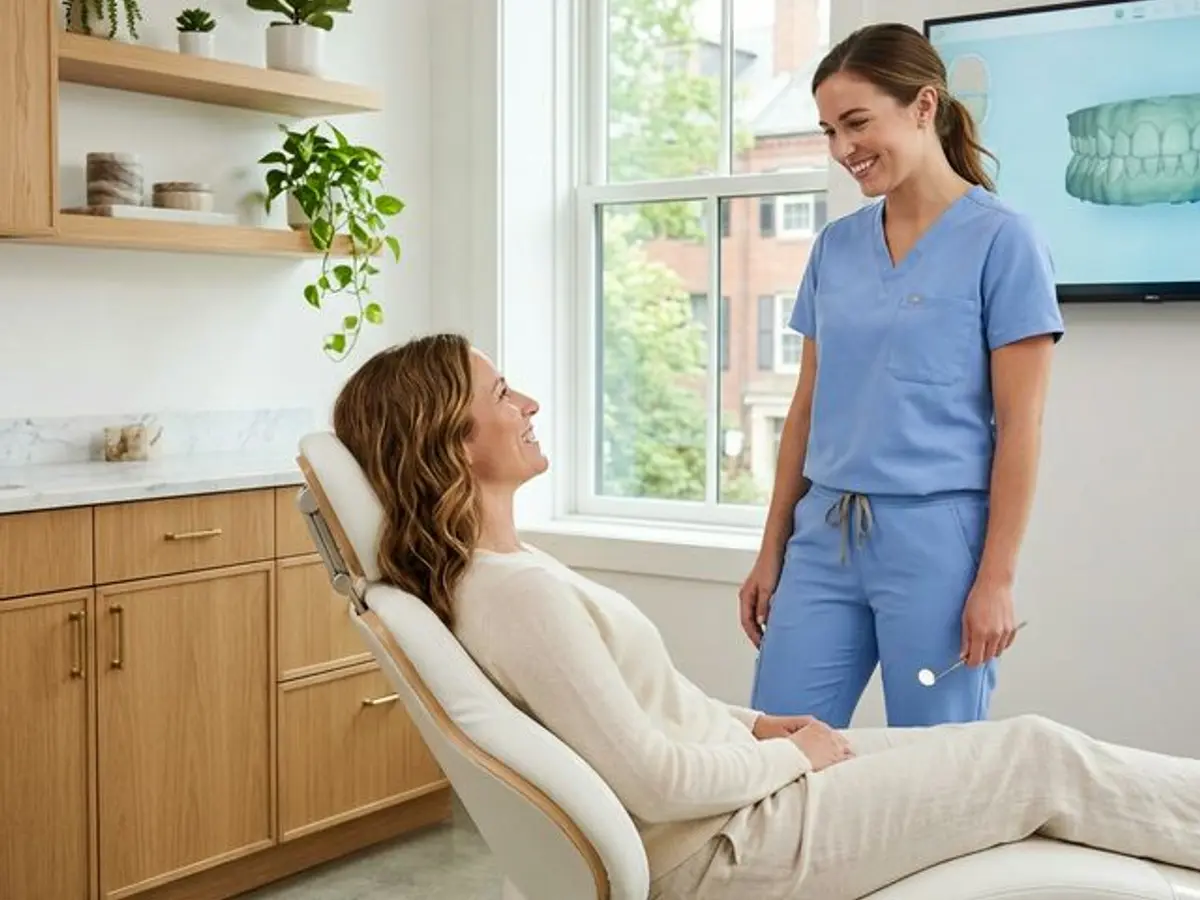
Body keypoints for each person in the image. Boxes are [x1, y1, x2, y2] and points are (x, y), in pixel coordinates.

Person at [331, 332, 1200, 900]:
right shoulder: (514, 595)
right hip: (726, 849)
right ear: (449, 436)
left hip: (733, 797)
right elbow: (656, 784)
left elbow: (648, 711)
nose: (528, 406)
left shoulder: (513, 571)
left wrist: (754, 726)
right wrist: (790, 757)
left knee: (1032, 749)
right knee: (1036, 760)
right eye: (504, 393)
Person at [740, 22, 1065, 730]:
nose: (843, 149)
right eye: (828, 131)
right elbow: (805, 410)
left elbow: (1021, 428)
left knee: (934, 769)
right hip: (823, 534)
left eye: (856, 123)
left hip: (937, 543)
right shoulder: (836, 246)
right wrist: (773, 550)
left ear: (924, 105)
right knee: (775, 752)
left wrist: (996, 580)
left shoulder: (1004, 241)